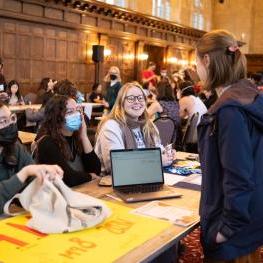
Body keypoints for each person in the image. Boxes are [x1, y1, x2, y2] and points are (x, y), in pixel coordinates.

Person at [196, 30, 263, 262]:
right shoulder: (248, 96)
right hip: (251, 223)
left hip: (234, 232)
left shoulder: (229, 110)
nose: (196, 69)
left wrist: (223, 231)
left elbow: (238, 176)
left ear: (206, 60)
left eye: (195, 61)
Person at [95, 82, 174, 175]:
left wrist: (167, 153)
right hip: (111, 183)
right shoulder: (112, 126)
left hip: (144, 177)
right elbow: (117, 166)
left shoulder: (148, 125)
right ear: (121, 102)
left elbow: (159, 150)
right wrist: (157, 161)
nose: (137, 102)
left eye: (140, 98)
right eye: (131, 98)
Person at [0, 101, 63, 213]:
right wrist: (24, 173)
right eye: (3, 121)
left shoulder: (14, 148)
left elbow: (34, 177)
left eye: (11, 118)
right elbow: (28, 171)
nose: (10, 124)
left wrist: (46, 181)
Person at [36, 95, 101, 187]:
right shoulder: (47, 142)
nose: (76, 115)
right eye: (70, 112)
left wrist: (84, 136)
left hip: (80, 193)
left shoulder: (76, 138)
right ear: (57, 117)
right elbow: (68, 178)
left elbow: (96, 169)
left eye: (77, 110)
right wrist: (89, 176)